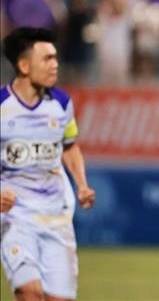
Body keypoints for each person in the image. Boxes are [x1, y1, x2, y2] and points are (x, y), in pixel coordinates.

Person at [1, 27, 96, 300]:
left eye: (55, 58)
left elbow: (70, 146)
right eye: (47, 59)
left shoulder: (61, 104)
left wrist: (82, 184)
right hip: (15, 217)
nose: (55, 65)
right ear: (23, 66)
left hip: (56, 217)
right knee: (29, 292)